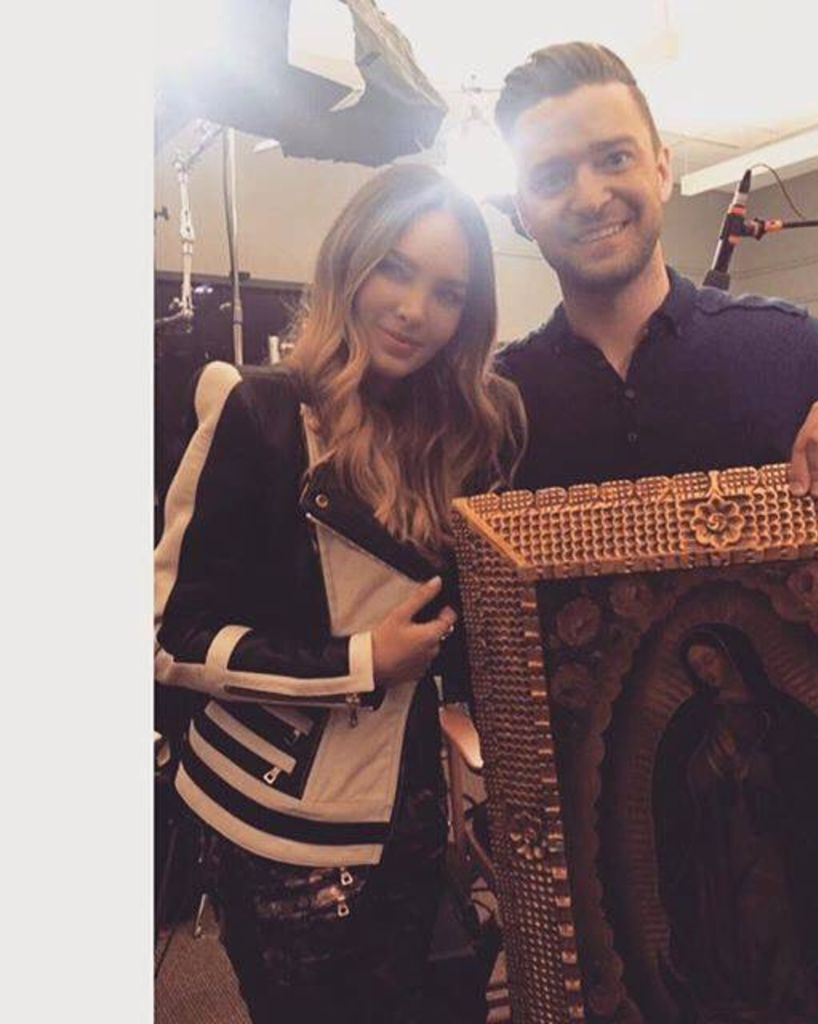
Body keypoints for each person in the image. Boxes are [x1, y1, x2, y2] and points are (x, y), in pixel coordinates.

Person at [154, 163, 525, 1024]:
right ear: (350, 261)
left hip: (411, 813)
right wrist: (360, 662)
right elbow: (172, 635)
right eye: (395, 268)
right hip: (275, 827)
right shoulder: (260, 411)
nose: (414, 310)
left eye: (448, 292)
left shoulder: (465, 434)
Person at [492, 42, 818, 494]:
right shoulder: (489, 411)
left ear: (661, 171)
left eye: (615, 159)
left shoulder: (796, 351)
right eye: (551, 177)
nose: (590, 200)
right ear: (524, 212)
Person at [652, 624, 818, 1023]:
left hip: (770, 839)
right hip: (717, 844)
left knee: (769, 909)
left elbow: (816, 783)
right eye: (697, 667)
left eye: (709, 660)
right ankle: (736, 1002)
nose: (706, 672)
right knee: (726, 921)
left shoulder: (782, 714)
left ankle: (785, 999)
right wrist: (711, 770)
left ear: (731, 655)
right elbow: (678, 790)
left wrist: (764, 771)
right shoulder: (696, 721)